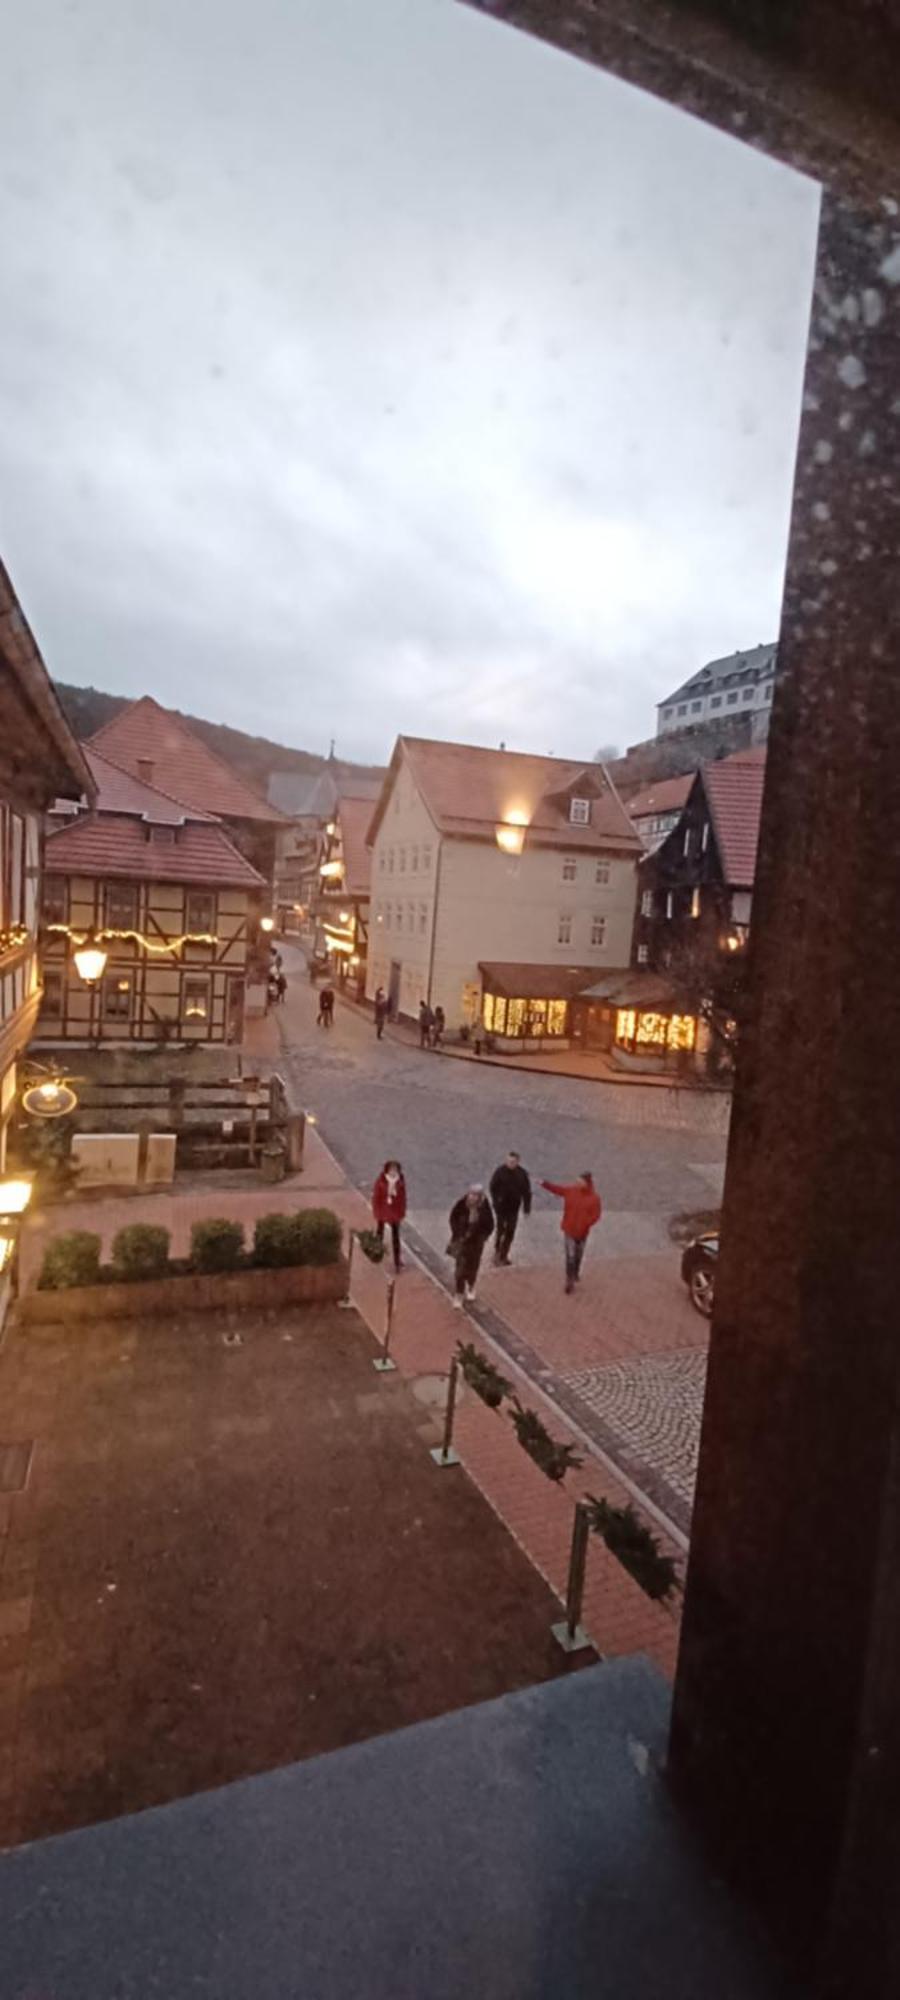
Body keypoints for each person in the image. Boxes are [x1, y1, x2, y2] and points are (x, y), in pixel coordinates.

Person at [540, 1172, 602, 1294]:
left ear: (586, 1183)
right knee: (570, 1256)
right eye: (577, 1181)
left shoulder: (594, 1198)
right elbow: (558, 1189)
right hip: (569, 1229)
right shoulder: (571, 1191)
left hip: (582, 1232)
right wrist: (544, 1184)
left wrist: (585, 1223)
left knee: (578, 1255)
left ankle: (575, 1272)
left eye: (580, 1182)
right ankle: (569, 1280)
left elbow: (596, 1215)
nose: (577, 1183)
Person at [447, 1184, 494, 1308]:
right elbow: (453, 1218)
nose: (472, 1197)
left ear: (480, 1197)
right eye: (471, 1194)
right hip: (462, 1242)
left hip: (475, 1244)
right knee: (460, 1270)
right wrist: (457, 1232)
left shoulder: (484, 1208)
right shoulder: (461, 1205)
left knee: (473, 1267)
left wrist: (483, 1237)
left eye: (475, 1195)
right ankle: (459, 1293)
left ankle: (471, 1286)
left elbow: (490, 1225)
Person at [489, 1151, 532, 1267]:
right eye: (508, 1161)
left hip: (514, 1207)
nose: (510, 1163)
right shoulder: (500, 1172)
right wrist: (495, 1201)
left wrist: (527, 1209)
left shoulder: (522, 1174)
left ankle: (504, 1255)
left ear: (517, 1162)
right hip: (501, 1207)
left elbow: (527, 1192)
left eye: (513, 1162)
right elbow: (492, 1187)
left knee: (510, 1231)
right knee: (501, 1230)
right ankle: (497, 1253)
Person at [372, 1160, 407, 1272]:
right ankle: (376, 1254)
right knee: (379, 1233)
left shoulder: (400, 1182)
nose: (393, 1172)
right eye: (391, 1170)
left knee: (396, 1236)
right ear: (387, 1170)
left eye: (395, 1170)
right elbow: (376, 1197)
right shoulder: (381, 1181)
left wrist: (401, 1212)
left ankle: (397, 1261)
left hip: (394, 1212)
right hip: (383, 1210)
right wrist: (377, 1210)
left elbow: (403, 1199)